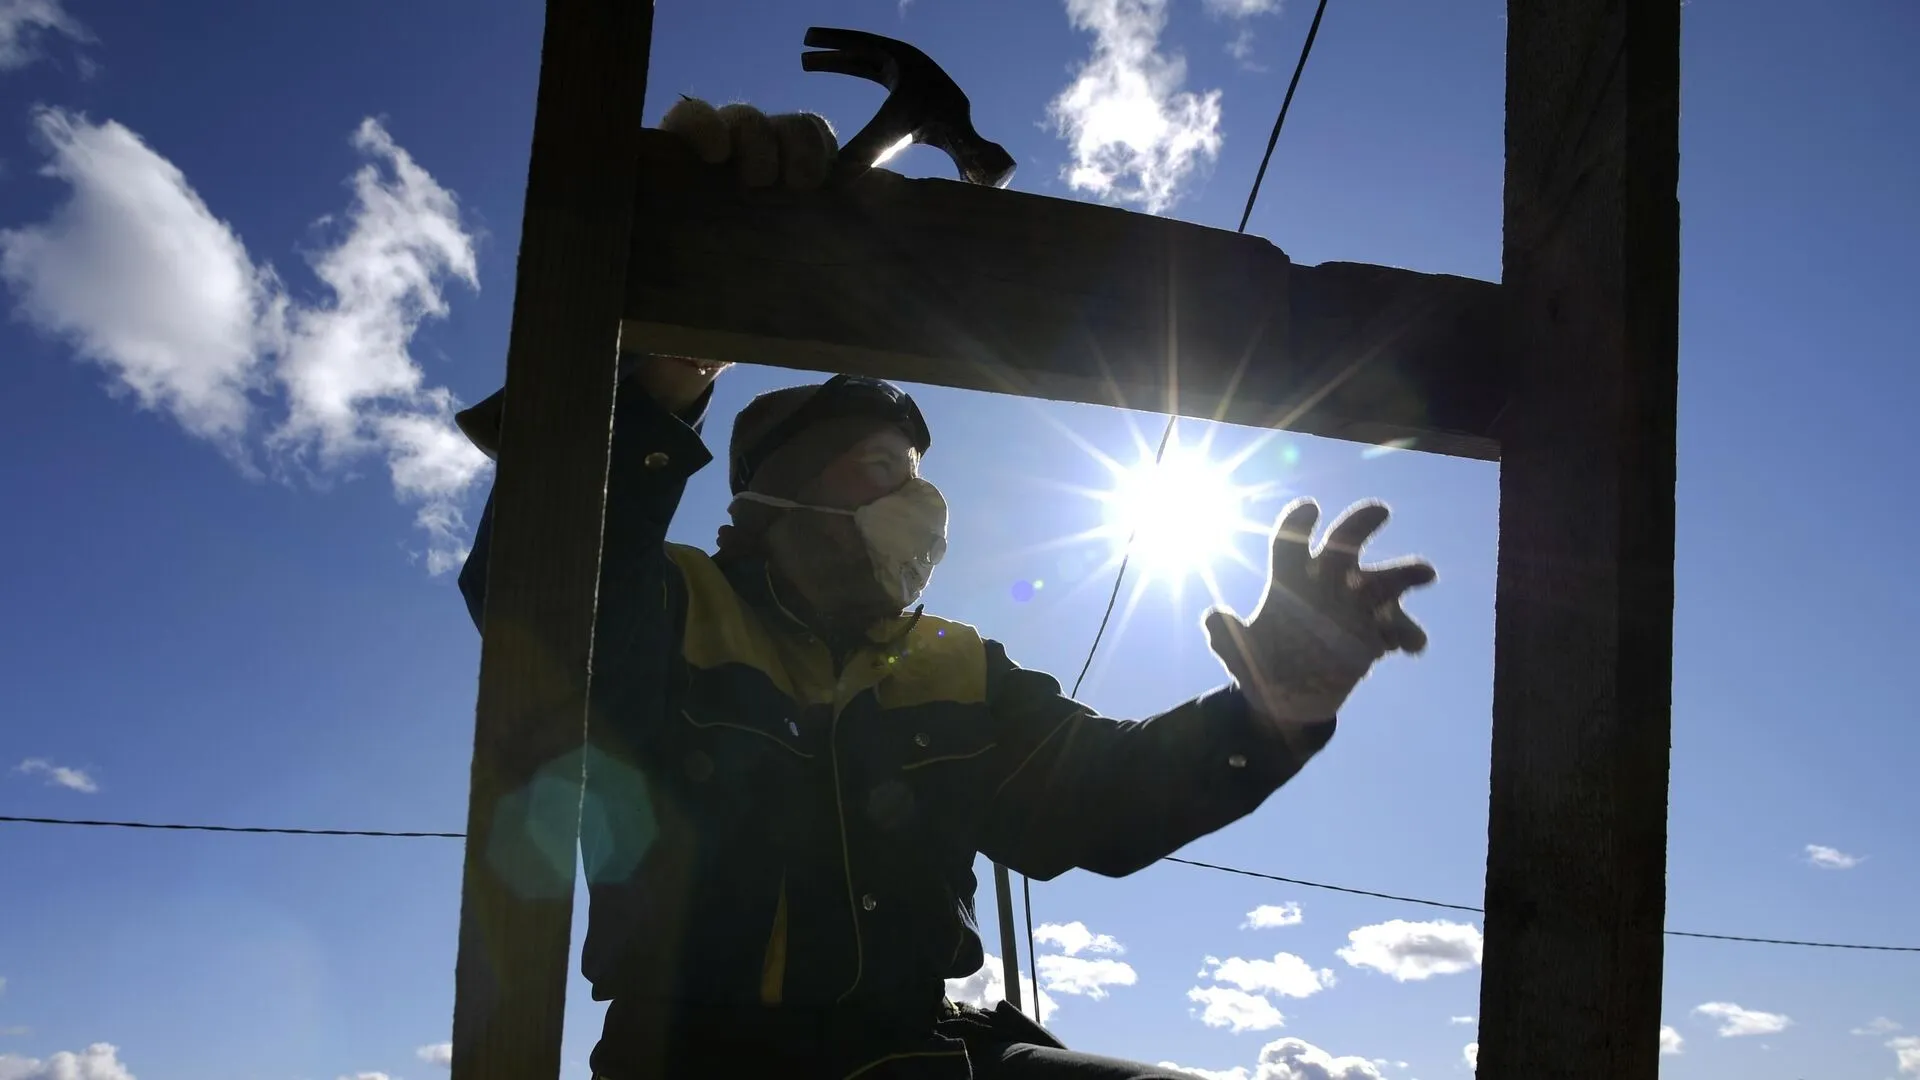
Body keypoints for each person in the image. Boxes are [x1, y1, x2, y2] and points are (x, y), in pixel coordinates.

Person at [454, 98, 1437, 1080]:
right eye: (882, 469)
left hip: (914, 1059)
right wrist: (655, 375)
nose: (918, 501)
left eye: (920, 476)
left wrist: (1269, 714)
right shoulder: (671, 604)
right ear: (780, 492)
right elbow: (527, 592)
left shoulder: (956, 666)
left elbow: (1103, 801)